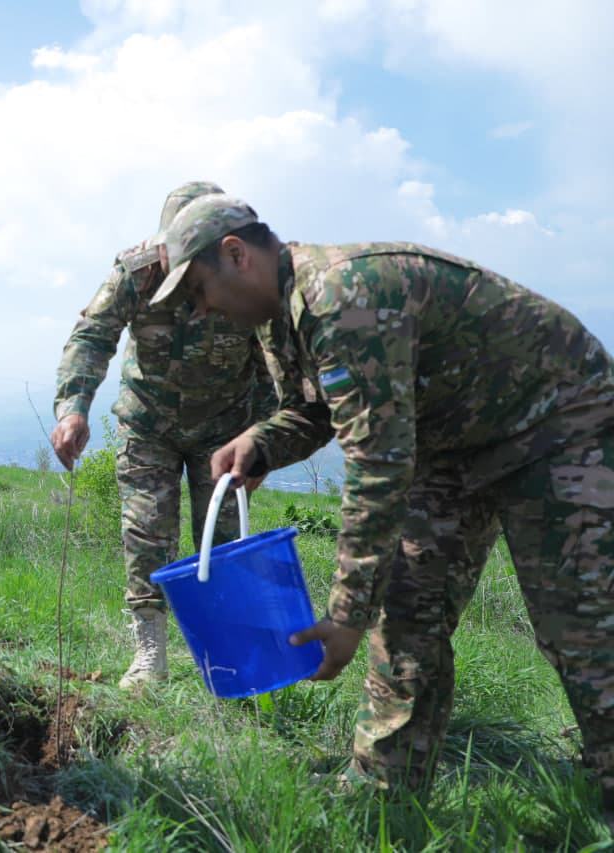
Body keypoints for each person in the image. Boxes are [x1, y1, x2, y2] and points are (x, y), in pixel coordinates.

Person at [151, 192, 614, 830]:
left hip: (558, 424)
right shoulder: (279, 317)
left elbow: (379, 465)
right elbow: (320, 410)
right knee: (407, 612)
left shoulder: (342, 297)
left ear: (236, 256)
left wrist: (344, 614)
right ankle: (384, 797)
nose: (202, 310)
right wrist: (262, 440)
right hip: (450, 444)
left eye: (199, 290)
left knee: (581, 623)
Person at [51, 181, 275, 689]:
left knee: (219, 544)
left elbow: (271, 363)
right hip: (148, 423)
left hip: (225, 432)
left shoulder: (240, 278)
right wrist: (73, 407)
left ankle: (225, 659)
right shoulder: (136, 272)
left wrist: (264, 442)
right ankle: (149, 653)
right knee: (146, 532)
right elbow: (93, 334)